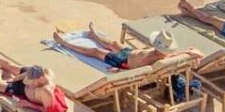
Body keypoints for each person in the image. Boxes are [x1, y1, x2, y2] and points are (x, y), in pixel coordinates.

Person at [0, 53, 70, 112]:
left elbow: (48, 110)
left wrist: (29, 104)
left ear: (41, 79)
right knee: (10, 67)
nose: (29, 83)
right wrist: (15, 79)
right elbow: (28, 73)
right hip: (26, 79)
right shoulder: (37, 73)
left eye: (32, 82)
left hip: (21, 91)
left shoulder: (46, 90)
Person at [62, 28, 198, 71]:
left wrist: (120, 70)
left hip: (123, 61)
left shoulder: (153, 59)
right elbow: (175, 55)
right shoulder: (165, 54)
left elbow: (139, 71)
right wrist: (187, 52)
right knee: (114, 43)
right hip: (129, 53)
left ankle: (67, 44)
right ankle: (94, 36)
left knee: (96, 52)